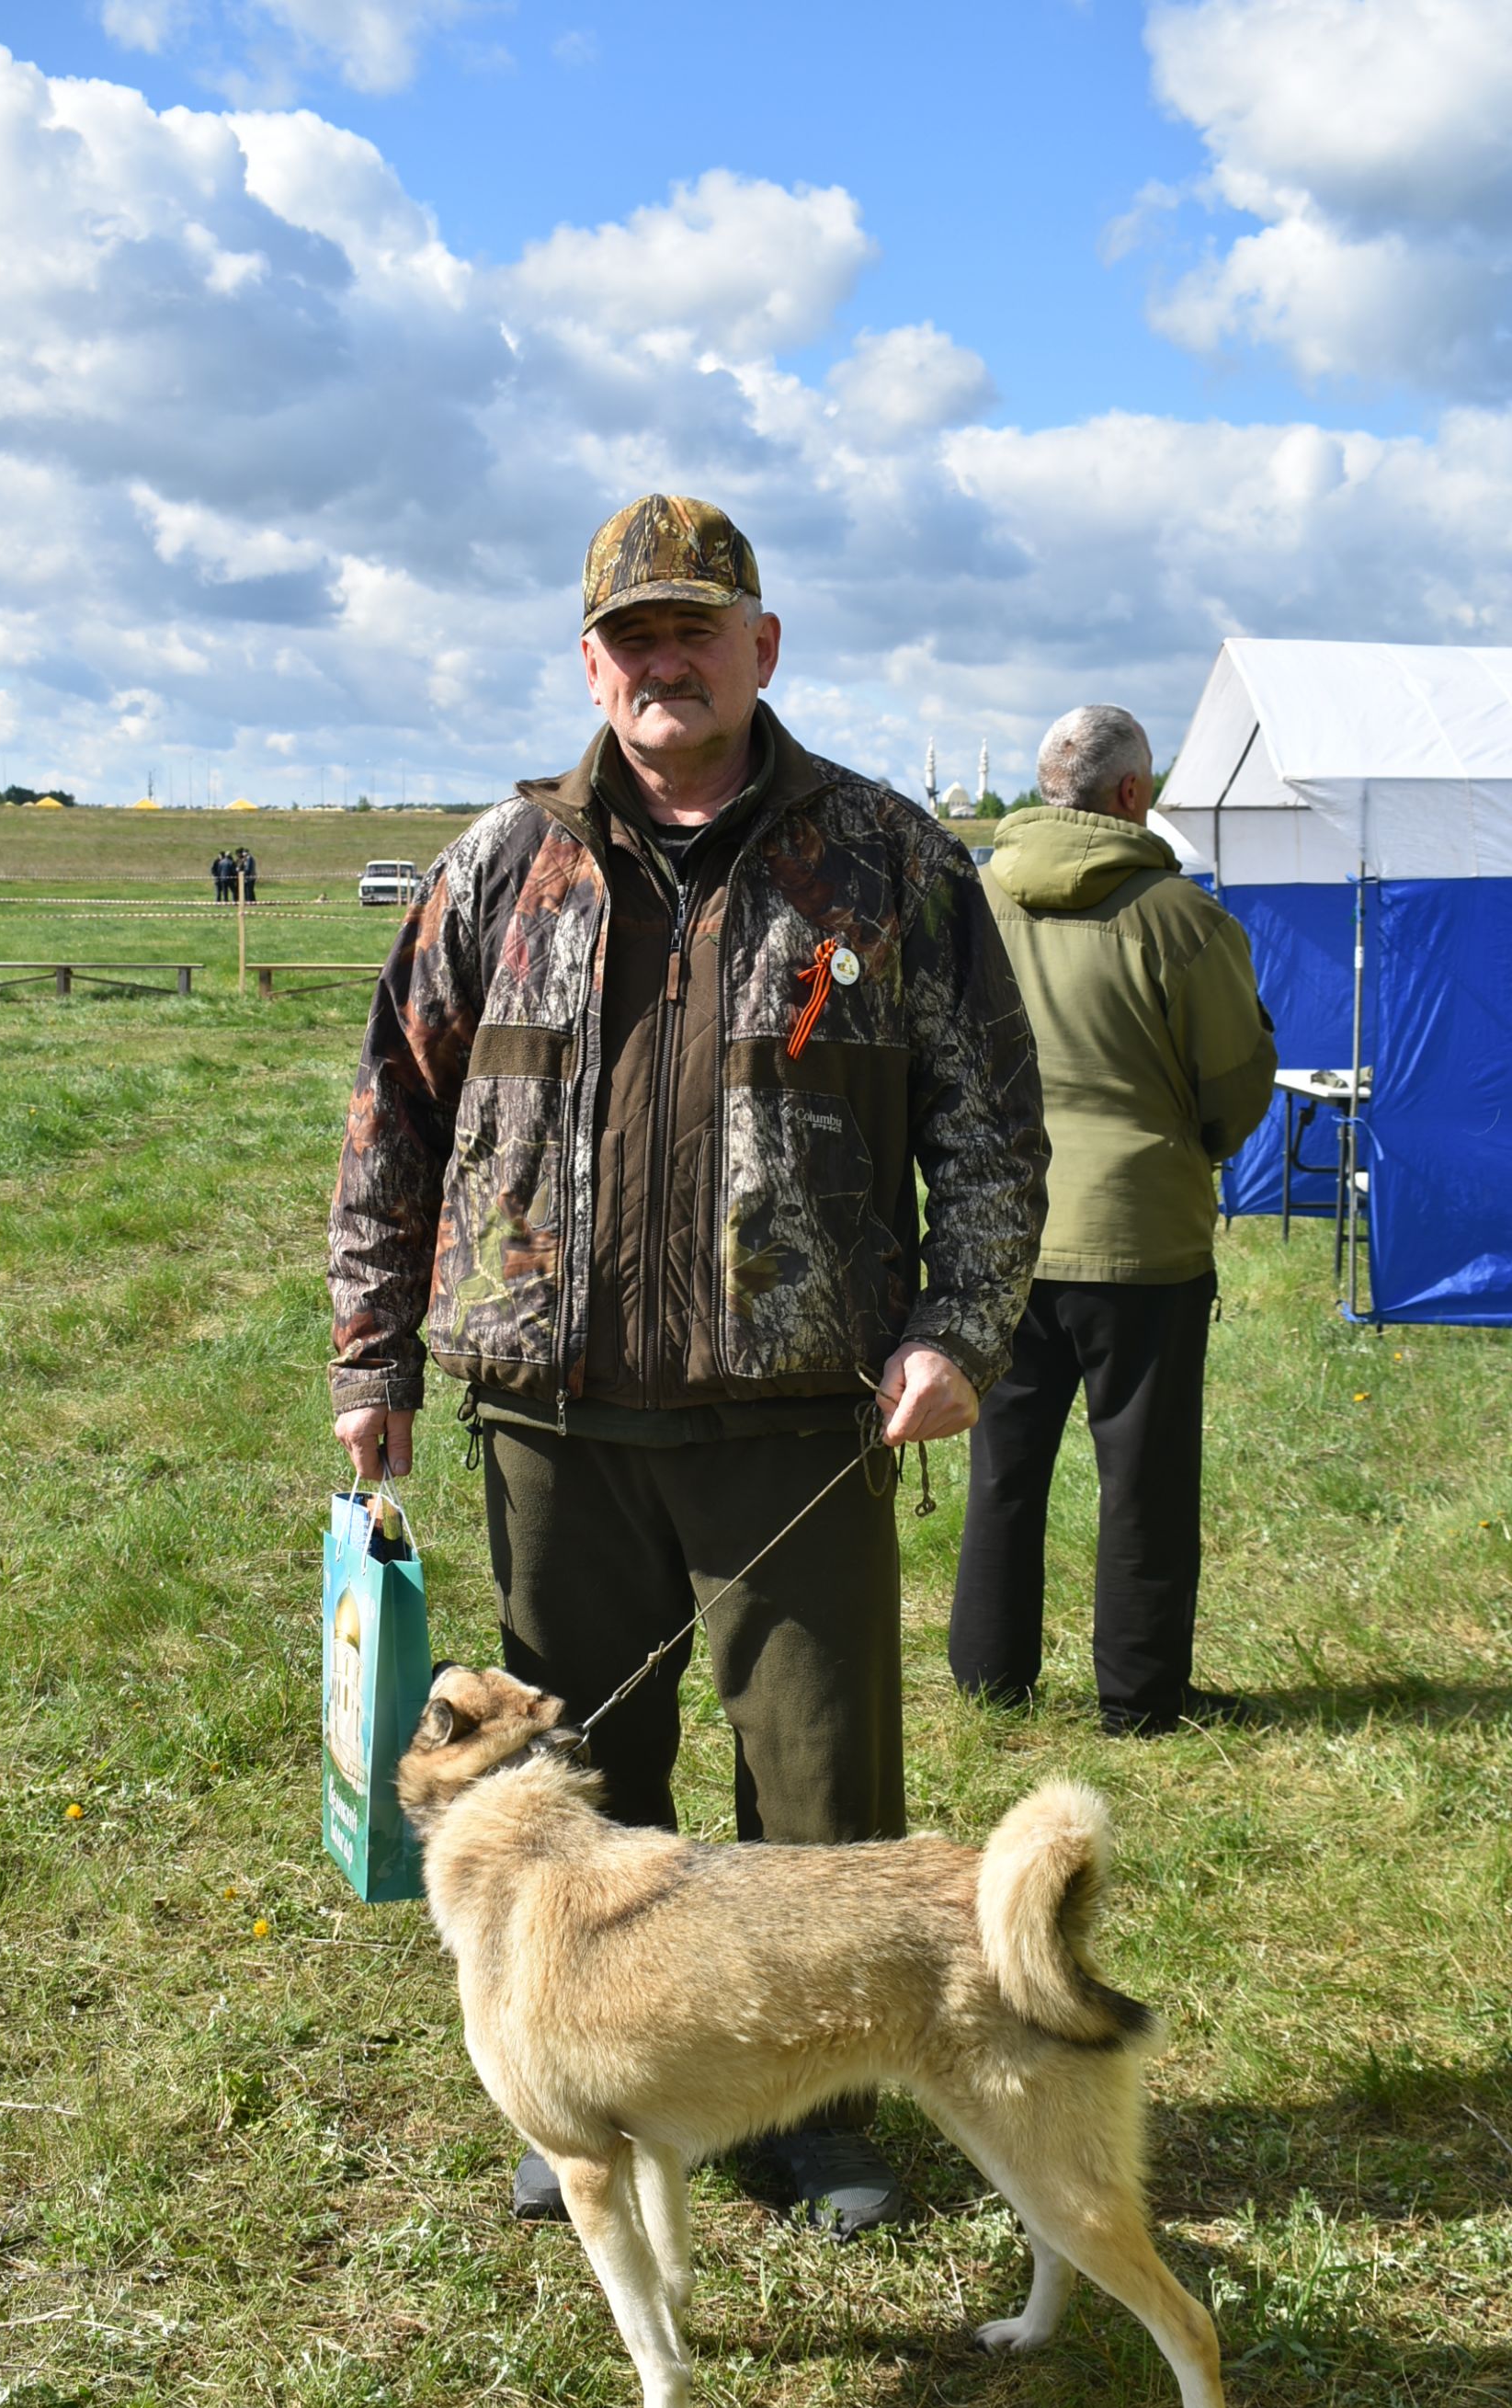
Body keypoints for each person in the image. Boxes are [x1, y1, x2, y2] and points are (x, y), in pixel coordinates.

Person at [328, 494, 1047, 2232]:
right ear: (593, 661)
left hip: (794, 1417)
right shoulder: (499, 864)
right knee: (574, 1791)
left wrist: (959, 1328)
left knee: (815, 1787)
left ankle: (823, 2110)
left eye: (695, 630)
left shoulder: (889, 860)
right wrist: (373, 1350)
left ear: (761, 648)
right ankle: (605, 2091)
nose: (666, 660)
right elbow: (390, 1115)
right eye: (632, 636)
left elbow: (996, 1127)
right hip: (548, 1414)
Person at [948, 704, 1277, 1736]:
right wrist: (1196, 1145)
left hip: (1002, 1228)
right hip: (1141, 1235)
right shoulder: (1180, 919)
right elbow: (1235, 1080)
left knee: (1002, 1463)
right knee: (1144, 1474)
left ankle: (991, 1677)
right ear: (1133, 795)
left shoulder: (976, 904)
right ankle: (1140, 1697)